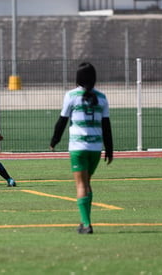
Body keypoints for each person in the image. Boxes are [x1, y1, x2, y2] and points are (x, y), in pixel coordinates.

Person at [49, 62, 113, 234]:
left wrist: (54, 140)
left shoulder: (71, 96)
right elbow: (106, 125)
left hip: (78, 146)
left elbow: (62, 121)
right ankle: (85, 221)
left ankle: (86, 224)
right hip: (95, 147)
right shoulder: (102, 97)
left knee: (81, 185)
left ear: (78, 78)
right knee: (86, 183)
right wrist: (110, 148)